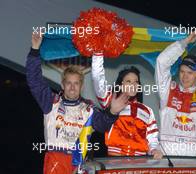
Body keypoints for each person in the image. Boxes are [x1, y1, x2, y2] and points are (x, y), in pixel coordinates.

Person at [26, 32, 128, 174]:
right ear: (62, 85)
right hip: (56, 160)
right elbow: (34, 80)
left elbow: (102, 125)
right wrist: (35, 50)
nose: (72, 87)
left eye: (76, 83)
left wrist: (112, 112)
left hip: (79, 164)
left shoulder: (88, 109)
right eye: (68, 83)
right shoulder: (51, 102)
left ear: (81, 86)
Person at [91, 52, 163, 159]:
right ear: (121, 84)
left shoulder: (147, 111)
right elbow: (97, 78)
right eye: (128, 81)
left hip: (140, 163)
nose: (133, 85)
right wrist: (98, 54)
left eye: (136, 82)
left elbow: (152, 139)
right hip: (115, 161)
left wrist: (155, 150)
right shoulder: (111, 100)